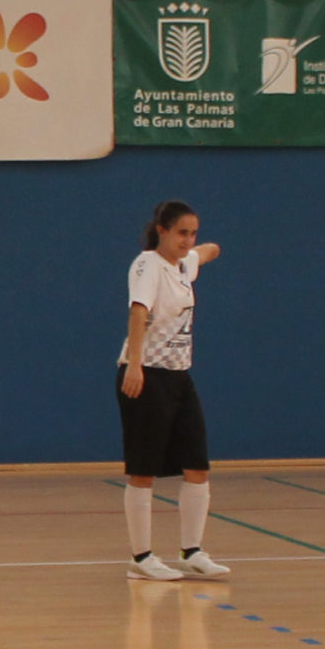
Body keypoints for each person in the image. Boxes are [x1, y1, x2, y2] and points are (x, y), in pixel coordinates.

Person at [119, 200, 227, 580]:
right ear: (161, 230)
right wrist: (134, 364)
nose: (188, 239)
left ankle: (192, 550)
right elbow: (138, 311)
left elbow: (209, 250)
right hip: (146, 374)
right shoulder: (148, 265)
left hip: (179, 376)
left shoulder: (183, 266)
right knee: (143, 470)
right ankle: (141, 557)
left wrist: (202, 251)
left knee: (197, 465)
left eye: (192, 232)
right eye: (181, 232)